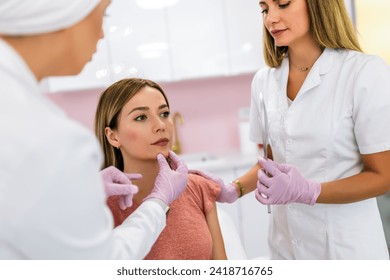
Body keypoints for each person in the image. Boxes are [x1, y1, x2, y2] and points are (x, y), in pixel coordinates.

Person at [194, 0, 390, 259]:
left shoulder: (364, 73)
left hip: (347, 250)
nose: (270, 19)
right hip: (286, 246)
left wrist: (310, 191)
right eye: (264, 9)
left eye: (283, 4)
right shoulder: (264, 80)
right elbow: (272, 160)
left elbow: (383, 175)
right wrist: (234, 188)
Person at [0, 0, 188, 259]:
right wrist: (157, 202)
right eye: (104, 14)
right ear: (65, 12)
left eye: (164, 113)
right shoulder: (48, 138)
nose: (101, 34)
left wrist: (67, 193)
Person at [94, 78, 227, 260]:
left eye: (164, 114)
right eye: (141, 117)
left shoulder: (198, 188)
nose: (161, 126)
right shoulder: (100, 206)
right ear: (113, 136)